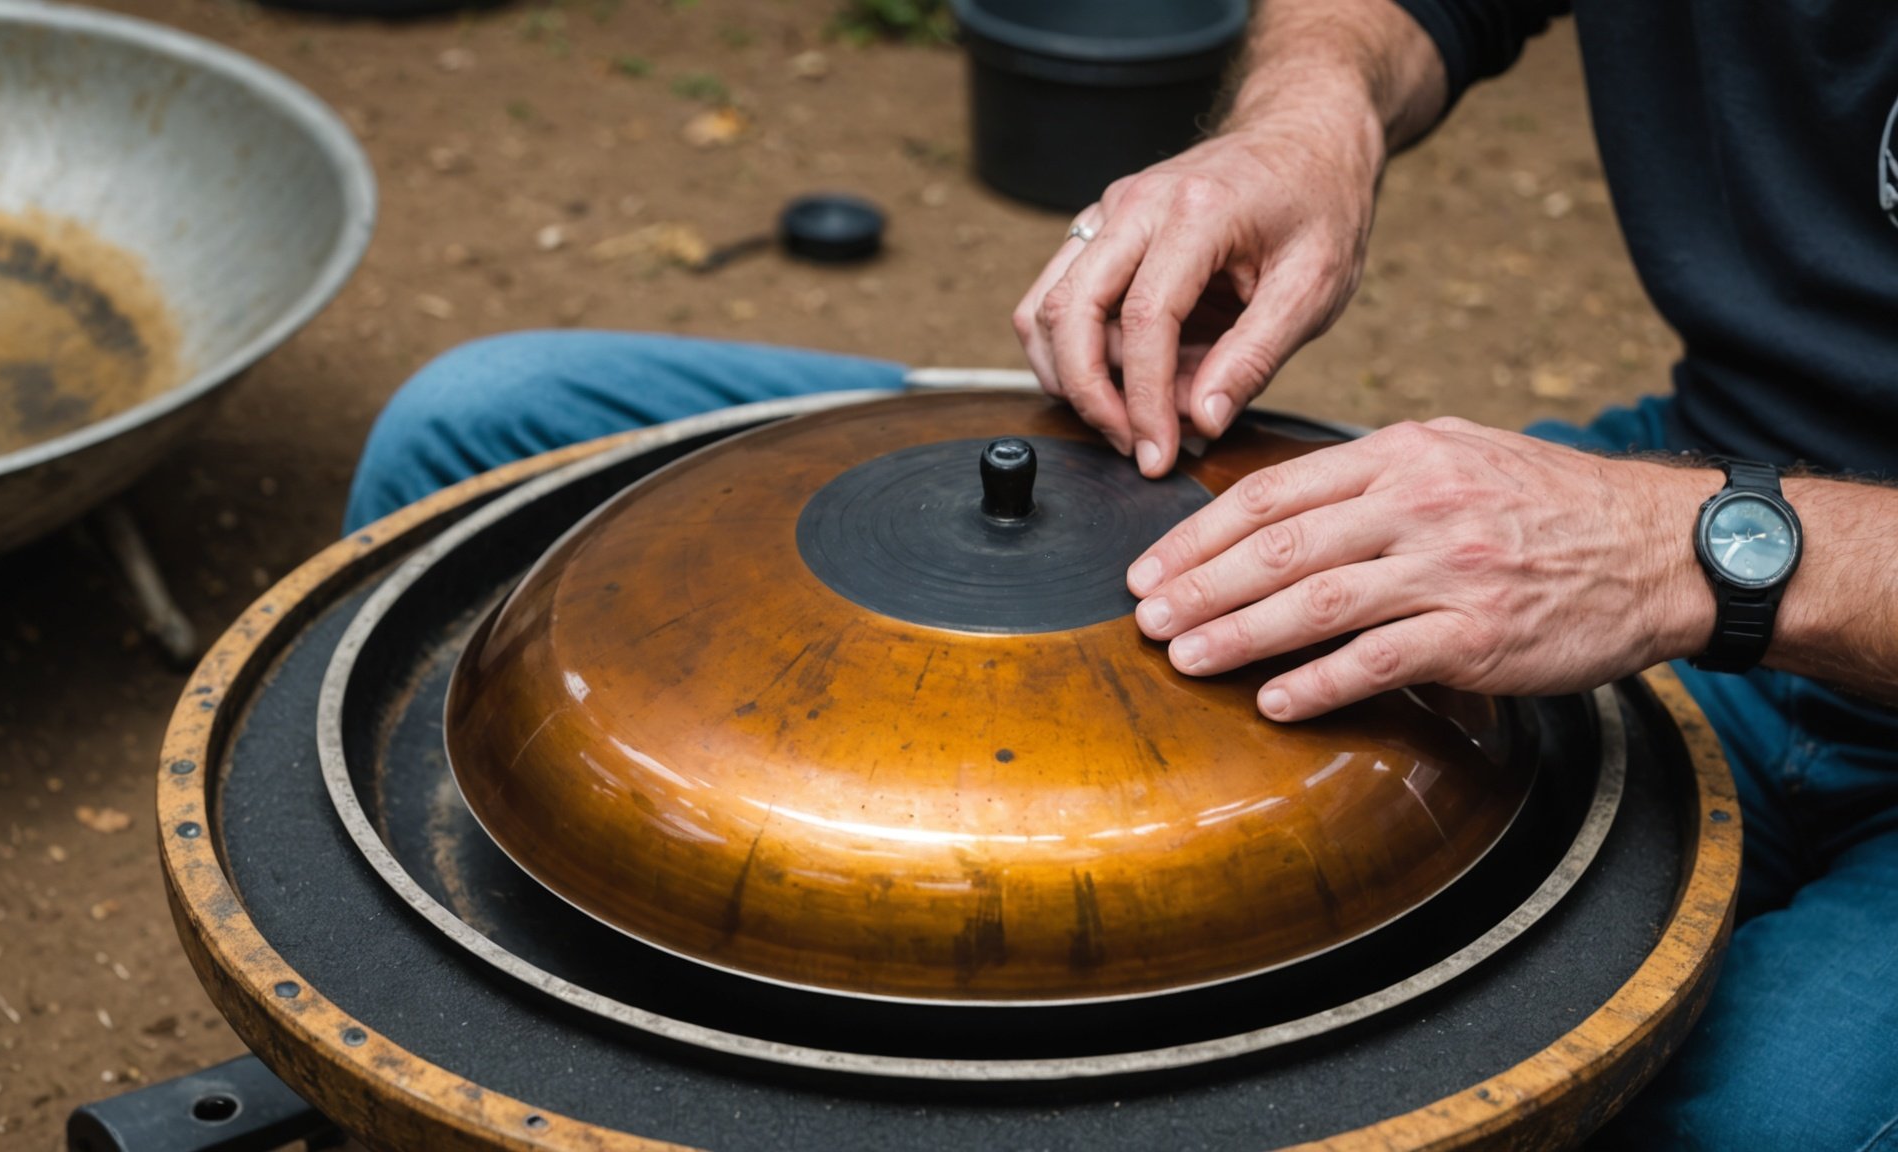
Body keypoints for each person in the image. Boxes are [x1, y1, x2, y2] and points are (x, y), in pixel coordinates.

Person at [347, 1, 1898, 1144]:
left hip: (1723, 551)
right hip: (1706, 471)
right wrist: (1310, 112)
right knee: (475, 440)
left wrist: (1686, 546)